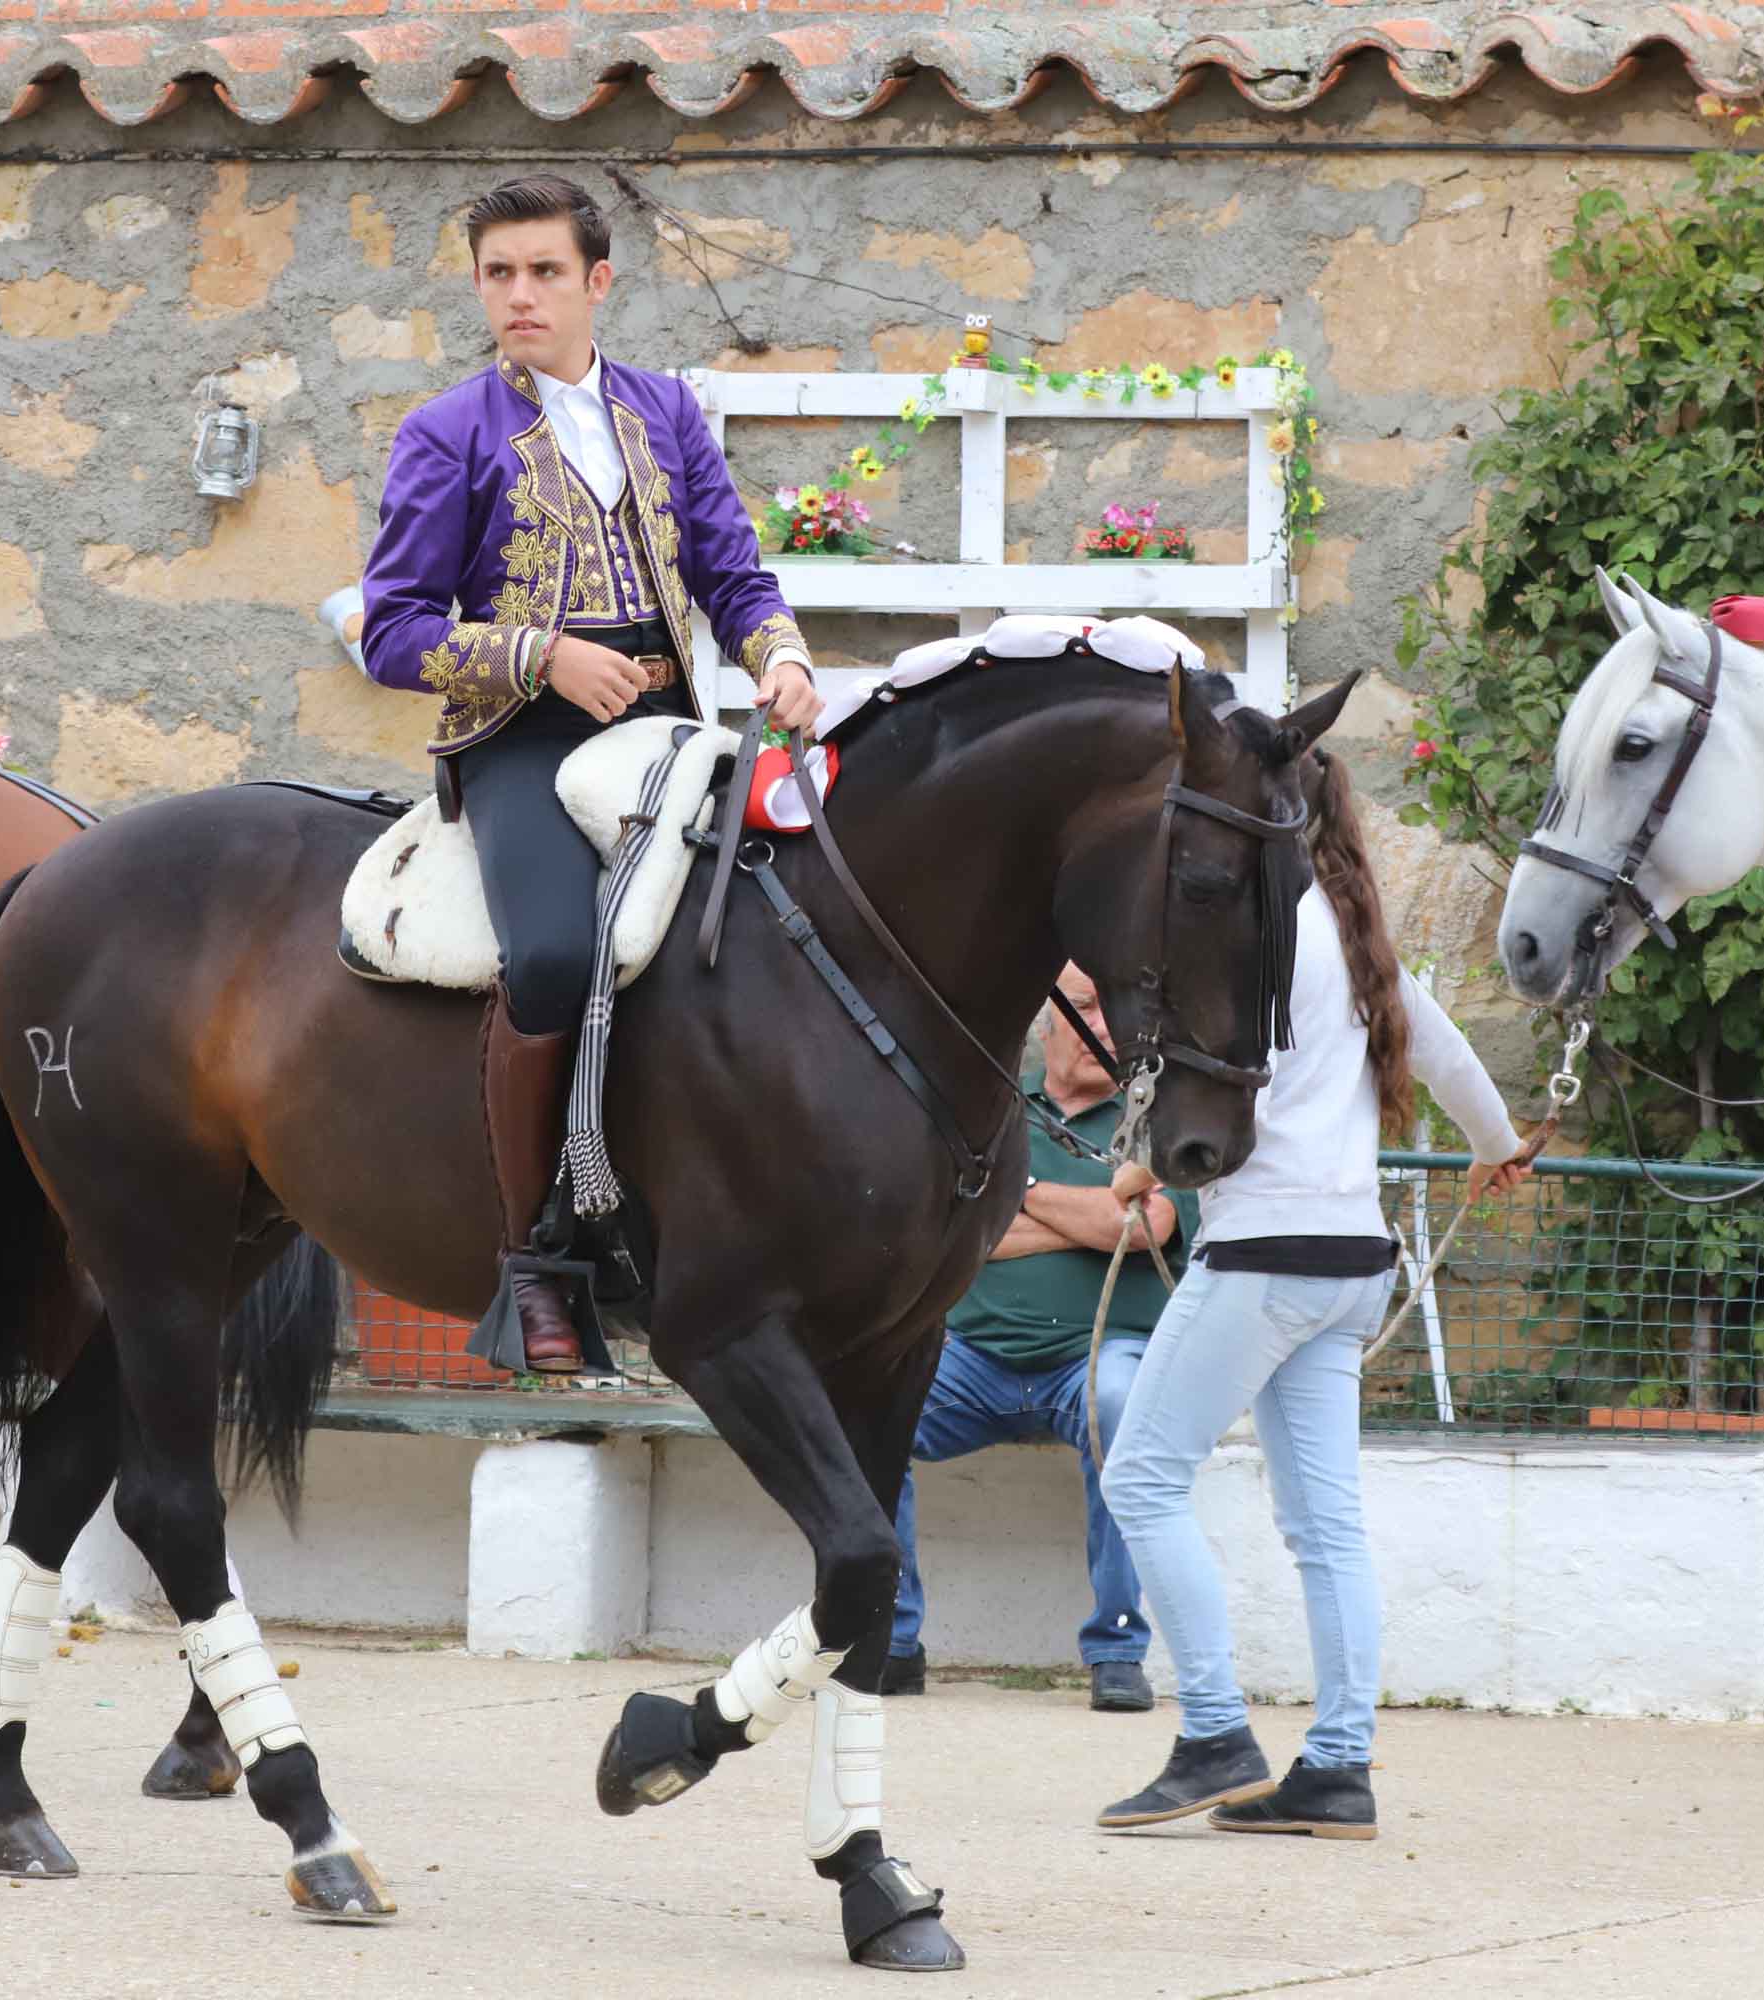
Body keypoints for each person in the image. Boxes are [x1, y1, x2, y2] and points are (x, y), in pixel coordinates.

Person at [358, 174, 821, 1368]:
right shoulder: (445, 431)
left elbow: (734, 574)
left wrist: (783, 658)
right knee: (558, 953)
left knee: (783, 921)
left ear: (596, 282)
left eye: (544, 272)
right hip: (521, 738)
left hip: (666, 729)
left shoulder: (667, 412)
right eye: (499, 273)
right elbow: (393, 627)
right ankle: (533, 1256)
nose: (520, 295)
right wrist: (540, 656)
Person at [1096, 750, 1535, 1841]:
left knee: (1142, 1476)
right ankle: (1337, 1766)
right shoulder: (1365, 942)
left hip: (1263, 1249)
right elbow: (1450, 1058)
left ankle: (1214, 1733)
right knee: (1327, 1527)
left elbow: (1215, 1087)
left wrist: (1142, 1164)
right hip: (1351, 1255)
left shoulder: (1250, 933)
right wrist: (1498, 1148)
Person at [882, 966, 1195, 1711]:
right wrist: (1085, 1216)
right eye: (1084, 1007)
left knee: (1123, 1405)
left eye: (1112, 1010)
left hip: (1097, 1356)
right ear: (1045, 1022)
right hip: (971, 1359)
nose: (1102, 1028)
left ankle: (1117, 1650)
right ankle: (888, 1639)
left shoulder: (1151, 1118)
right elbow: (956, 1235)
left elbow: (1146, 1225)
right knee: (871, 1412)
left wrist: (1014, 1197)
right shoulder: (989, 1112)